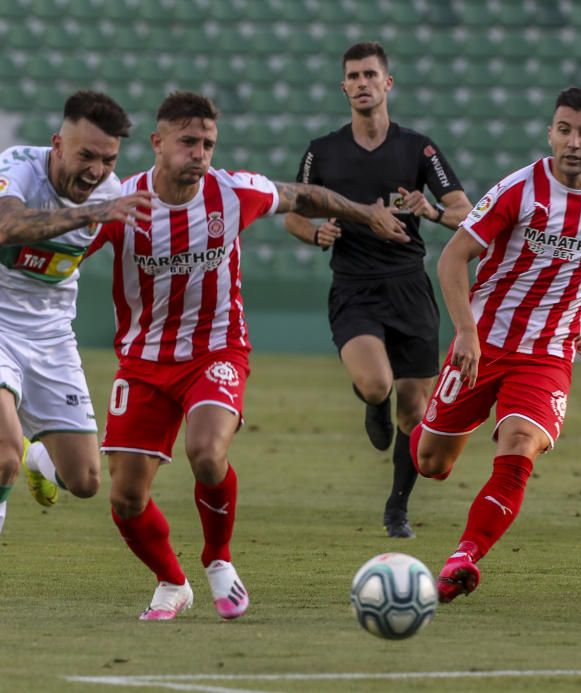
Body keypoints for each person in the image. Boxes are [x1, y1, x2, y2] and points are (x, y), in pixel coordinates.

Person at [87, 90, 409, 622]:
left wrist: (365, 213)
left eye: (208, 143)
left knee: (207, 451)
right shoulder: (124, 204)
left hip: (217, 348)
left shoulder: (234, 191)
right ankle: (172, 583)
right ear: (157, 142)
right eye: (188, 141)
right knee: (124, 497)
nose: (201, 153)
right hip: (143, 361)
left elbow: (304, 195)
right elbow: (70, 250)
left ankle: (219, 560)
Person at [410, 87, 581, 603]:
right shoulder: (519, 191)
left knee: (517, 445)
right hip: (485, 342)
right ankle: (417, 424)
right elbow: (452, 259)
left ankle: (463, 557)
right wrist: (466, 332)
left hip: (549, 354)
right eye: (564, 129)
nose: (573, 142)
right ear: (550, 133)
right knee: (432, 463)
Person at [0, 91, 156, 630]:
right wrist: (96, 211)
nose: (98, 170)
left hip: (52, 337)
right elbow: (7, 228)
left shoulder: (109, 190)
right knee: (2, 453)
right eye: (86, 156)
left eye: (108, 160)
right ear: (58, 144)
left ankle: (44, 459)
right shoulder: (14, 168)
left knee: (85, 481)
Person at [284, 42, 472, 539]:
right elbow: (292, 213)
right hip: (354, 288)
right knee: (376, 385)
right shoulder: (322, 150)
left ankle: (397, 509)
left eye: (371, 74)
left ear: (387, 84)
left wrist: (429, 211)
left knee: (415, 409)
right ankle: (373, 403)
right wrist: (316, 232)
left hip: (410, 287)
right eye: (353, 75)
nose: (362, 83)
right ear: (343, 87)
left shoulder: (419, 149)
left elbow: (465, 211)